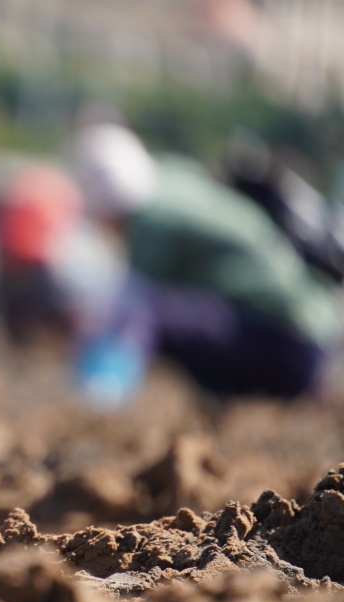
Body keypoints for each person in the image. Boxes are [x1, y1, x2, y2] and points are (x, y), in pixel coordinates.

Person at [67, 123, 340, 407]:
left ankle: (99, 396)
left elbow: (130, 304)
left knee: (144, 309)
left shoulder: (149, 224)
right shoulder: (173, 178)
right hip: (310, 334)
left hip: (290, 346)